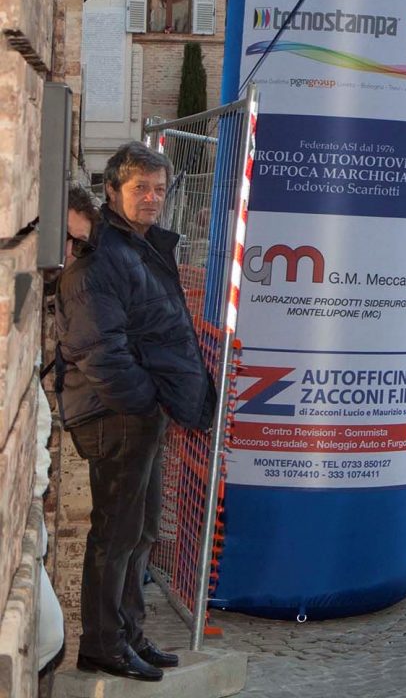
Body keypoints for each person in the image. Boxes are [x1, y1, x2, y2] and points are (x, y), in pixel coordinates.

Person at [53, 142, 214, 682]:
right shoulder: (100, 258)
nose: (152, 198)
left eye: (159, 189)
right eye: (140, 188)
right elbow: (100, 351)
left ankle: (128, 633)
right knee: (115, 535)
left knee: (142, 532)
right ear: (113, 191)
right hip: (116, 415)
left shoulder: (138, 247)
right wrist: (145, 402)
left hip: (139, 414)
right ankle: (102, 644)